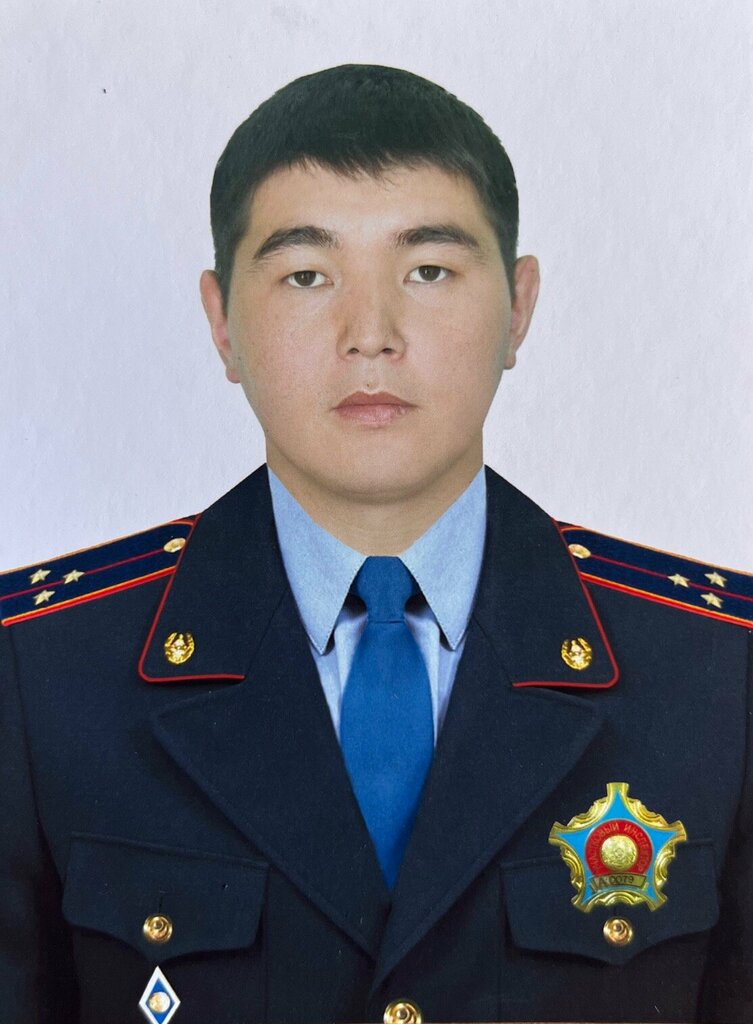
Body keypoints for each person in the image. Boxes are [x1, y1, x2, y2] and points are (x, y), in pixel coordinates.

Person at [0, 64, 750, 1024]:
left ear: (518, 307)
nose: (371, 335)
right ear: (221, 321)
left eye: (427, 271)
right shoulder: (43, 674)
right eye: (307, 276)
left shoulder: (715, 674)